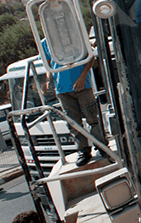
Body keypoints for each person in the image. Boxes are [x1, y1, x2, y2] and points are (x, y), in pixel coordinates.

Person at [41, 35, 103, 167]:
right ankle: (83, 151)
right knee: (73, 122)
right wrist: (48, 80)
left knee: (92, 117)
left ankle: (102, 145)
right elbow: (48, 64)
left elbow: (90, 56)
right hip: (62, 89)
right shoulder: (45, 43)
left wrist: (83, 77)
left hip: (82, 85)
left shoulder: (72, 33)